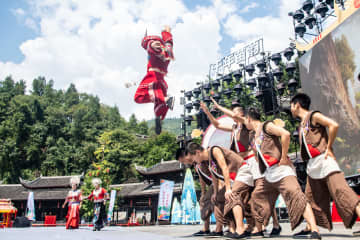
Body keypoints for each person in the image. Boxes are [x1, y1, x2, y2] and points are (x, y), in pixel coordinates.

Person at [203, 98, 281, 237]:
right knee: (246, 194)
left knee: (261, 191)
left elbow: (234, 116)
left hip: (252, 160)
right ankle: (250, 226)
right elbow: (216, 124)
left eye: (235, 113)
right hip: (243, 163)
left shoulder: (246, 124)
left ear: (242, 115)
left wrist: (218, 106)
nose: (233, 115)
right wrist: (208, 112)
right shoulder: (235, 128)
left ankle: (274, 224)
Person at [245, 107, 321, 239]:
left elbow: (285, 134)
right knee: (256, 196)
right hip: (268, 175)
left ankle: (314, 230)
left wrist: (284, 157)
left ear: (249, 119)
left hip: (281, 171)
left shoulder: (266, 126)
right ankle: (259, 229)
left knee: (297, 196)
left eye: (245, 120)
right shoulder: (254, 135)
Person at [290, 93, 360, 237]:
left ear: (297, 105)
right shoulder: (302, 124)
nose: (290, 109)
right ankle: (311, 227)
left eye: (291, 106)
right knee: (309, 198)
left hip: (324, 161)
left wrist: (329, 147)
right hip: (312, 166)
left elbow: (333, 125)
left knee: (343, 192)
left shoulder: (313, 116)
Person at [185, 142, 255, 239]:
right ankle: (230, 228)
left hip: (241, 171)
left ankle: (240, 229)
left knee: (232, 195)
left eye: (193, 158)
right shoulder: (208, 160)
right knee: (217, 199)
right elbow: (214, 176)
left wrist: (228, 189)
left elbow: (224, 168)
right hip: (233, 178)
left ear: (197, 152)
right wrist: (215, 193)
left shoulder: (214, 150)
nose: (194, 161)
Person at [176, 147, 226, 237]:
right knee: (204, 201)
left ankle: (219, 229)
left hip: (219, 182)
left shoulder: (202, 158)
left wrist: (218, 186)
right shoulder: (195, 164)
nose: (184, 163)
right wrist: (203, 193)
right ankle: (206, 228)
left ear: (186, 155)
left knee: (216, 201)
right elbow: (201, 178)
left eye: (183, 161)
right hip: (212, 184)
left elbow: (215, 170)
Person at [134, 25, 175, 135]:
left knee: (138, 97)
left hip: (153, 77)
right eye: (154, 42)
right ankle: (159, 118)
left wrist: (149, 42)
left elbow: (151, 47)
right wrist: (166, 34)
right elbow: (169, 46)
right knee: (158, 102)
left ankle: (166, 100)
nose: (156, 43)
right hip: (161, 81)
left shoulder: (152, 50)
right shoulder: (166, 53)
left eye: (157, 42)